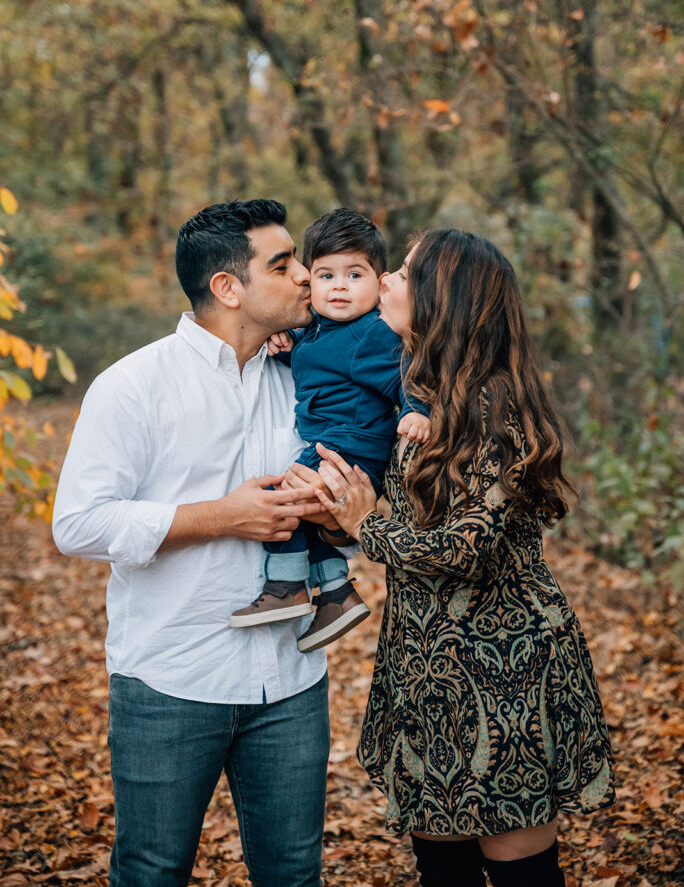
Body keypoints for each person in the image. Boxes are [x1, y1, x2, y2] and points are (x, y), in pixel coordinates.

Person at [311, 230, 616, 887]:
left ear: (442, 298)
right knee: (443, 869)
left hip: (504, 669)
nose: (385, 279)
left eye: (404, 272)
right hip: (427, 667)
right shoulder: (419, 389)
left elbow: (463, 549)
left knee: (518, 871)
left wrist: (366, 526)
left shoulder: (492, 403)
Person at [52, 199, 338, 887]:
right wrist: (223, 517)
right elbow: (79, 523)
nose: (306, 276)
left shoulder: (307, 379)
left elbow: (340, 521)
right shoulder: (133, 386)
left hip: (291, 678)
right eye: (283, 265)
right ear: (228, 287)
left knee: (295, 874)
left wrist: (333, 517)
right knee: (152, 871)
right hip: (171, 677)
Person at [230, 209, 430, 654]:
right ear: (310, 281)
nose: (339, 286)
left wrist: (417, 411)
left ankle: (287, 588)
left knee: (284, 498)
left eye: (354, 275)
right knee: (305, 508)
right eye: (326, 275)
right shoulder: (319, 332)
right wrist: (285, 345)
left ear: (379, 283)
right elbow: (321, 364)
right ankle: (336, 592)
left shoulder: (371, 334)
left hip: (350, 448)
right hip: (331, 444)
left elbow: (408, 375)